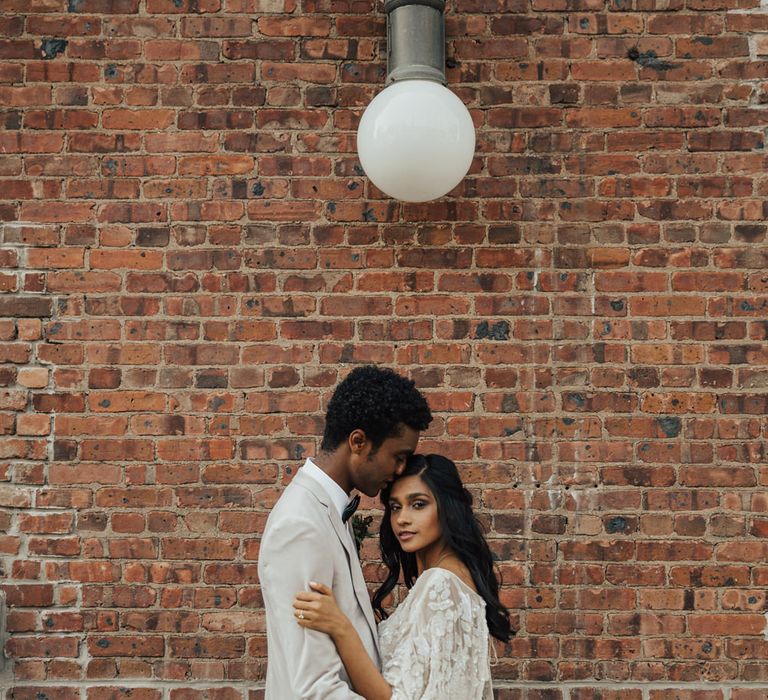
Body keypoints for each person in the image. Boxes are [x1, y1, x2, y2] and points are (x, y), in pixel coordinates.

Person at [258, 366, 432, 699]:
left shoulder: (326, 510)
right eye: (398, 457)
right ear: (358, 442)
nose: (398, 472)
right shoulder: (300, 525)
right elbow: (314, 689)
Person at [293, 453, 513, 700]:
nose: (401, 519)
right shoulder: (454, 577)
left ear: (448, 508)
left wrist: (340, 627)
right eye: (395, 507)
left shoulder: (441, 584)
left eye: (418, 504)